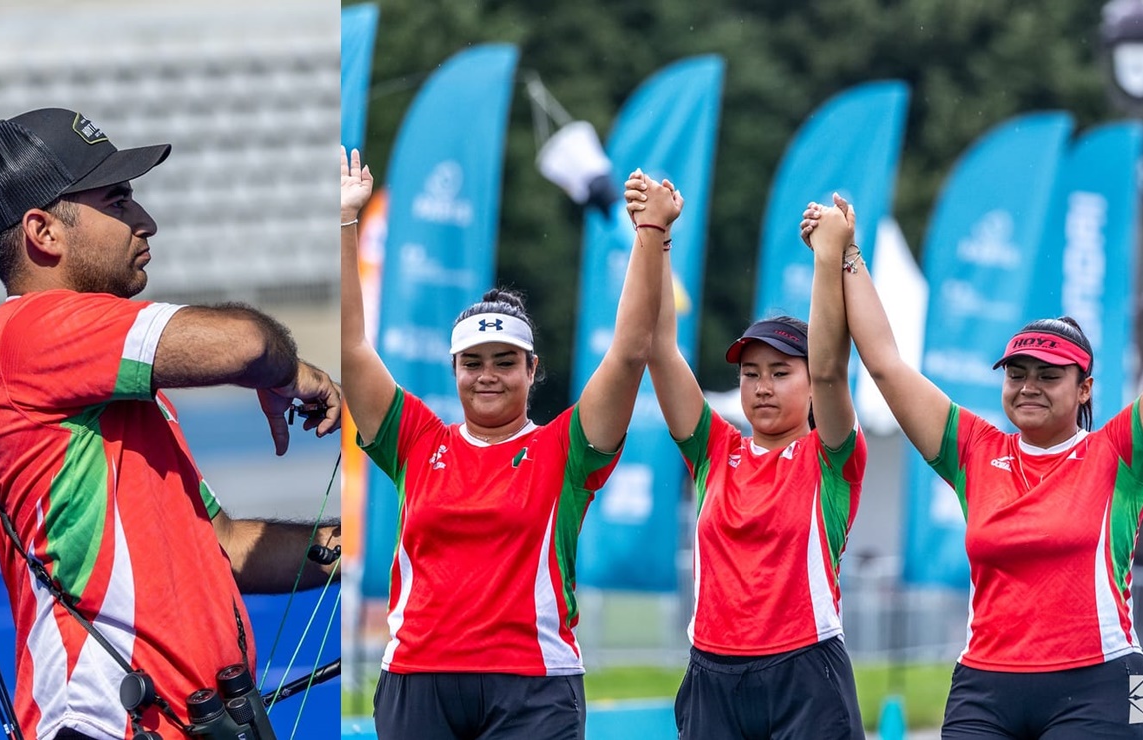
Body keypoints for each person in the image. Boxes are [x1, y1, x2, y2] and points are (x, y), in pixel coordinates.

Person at [0, 108, 342, 740]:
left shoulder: (105, 378)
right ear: (44, 231)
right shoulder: (25, 333)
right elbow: (245, 343)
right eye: (118, 199)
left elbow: (223, 546)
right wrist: (286, 371)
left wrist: (373, 545)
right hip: (107, 725)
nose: (145, 221)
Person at [340, 148, 679, 739]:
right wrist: (347, 223)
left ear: (531, 370)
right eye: (473, 362)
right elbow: (351, 351)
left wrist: (650, 231)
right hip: (418, 680)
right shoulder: (415, 440)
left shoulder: (566, 449)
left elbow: (630, 351)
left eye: (505, 361)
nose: (488, 374)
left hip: (533, 686)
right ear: (454, 369)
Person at [803, 193, 1143, 738]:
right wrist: (849, 255)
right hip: (986, 687)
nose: (1029, 385)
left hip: (1110, 681)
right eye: (1016, 372)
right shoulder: (976, 451)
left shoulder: (1118, 450)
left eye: (1049, 374)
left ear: (1085, 389)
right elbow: (886, 366)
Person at [636, 183, 866, 738]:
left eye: (781, 372)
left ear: (811, 386)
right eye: (750, 374)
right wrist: (656, 237)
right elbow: (660, 349)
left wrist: (828, 258)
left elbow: (834, 365)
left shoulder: (830, 455)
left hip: (805, 671)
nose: (762, 387)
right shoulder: (715, 450)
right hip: (711, 674)